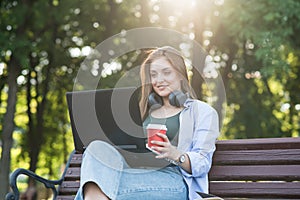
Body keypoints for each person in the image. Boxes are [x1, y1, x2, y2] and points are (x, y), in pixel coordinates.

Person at [74, 46, 220, 200]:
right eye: (153, 75)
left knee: (98, 185)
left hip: (174, 180)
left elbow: (203, 162)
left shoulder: (202, 112)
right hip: (133, 172)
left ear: (181, 75)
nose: (159, 80)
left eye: (166, 72)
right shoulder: (142, 111)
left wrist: (175, 154)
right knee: (97, 147)